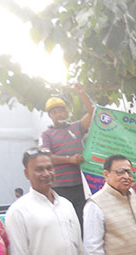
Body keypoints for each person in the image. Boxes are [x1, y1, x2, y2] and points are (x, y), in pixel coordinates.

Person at [41, 84, 94, 226]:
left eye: (61, 110)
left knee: (84, 220)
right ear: (50, 116)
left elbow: (92, 113)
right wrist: (69, 160)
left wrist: (82, 93)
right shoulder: (47, 134)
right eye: (55, 112)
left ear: (66, 112)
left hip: (81, 184)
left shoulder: (76, 127)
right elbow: (46, 157)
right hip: (60, 186)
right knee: (66, 222)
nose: (59, 114)